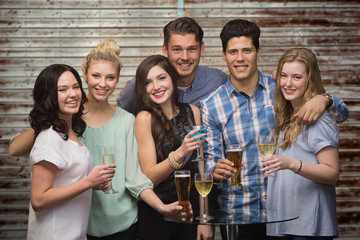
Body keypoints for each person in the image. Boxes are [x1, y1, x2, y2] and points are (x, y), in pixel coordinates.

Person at [9, 39, 183, 240]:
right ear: (84, 74)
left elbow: (134, 178)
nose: (102, 83)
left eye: (110, 77)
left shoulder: (127, 121)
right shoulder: (68, 118)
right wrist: (50, 117)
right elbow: (15, 150)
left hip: (124, 225)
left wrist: (161, 207)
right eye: (96, 76)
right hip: (81, 226)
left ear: (117, 79)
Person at [200, 19, 348, 240]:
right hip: (241, 213)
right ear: (224, 55)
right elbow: (210, 161)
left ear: (258, 51)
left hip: (285, 213)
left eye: (247, 50)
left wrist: (324, 99)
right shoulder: (211, 105)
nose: (240, 58)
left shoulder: (280, 89)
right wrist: (214, 170)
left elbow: (342, 114)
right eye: (233, 52)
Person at [25, 64, 115, 240]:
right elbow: (39, 200)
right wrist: (88, 182)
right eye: (62, 89)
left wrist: (92, 183)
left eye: (75, 87)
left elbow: (65, 180)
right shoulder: (49, 138)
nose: (73, 94)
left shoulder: (69, 131)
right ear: (48, 96)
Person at [263, 48, 339, 239]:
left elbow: (332, 173)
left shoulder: (318, 118)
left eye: (297, 77)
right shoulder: (285, 114)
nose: (288, 83)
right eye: (283, 76)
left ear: (309, 80)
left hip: (308, 228)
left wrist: (291, 164)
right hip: (284, 223)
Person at [134, 55, 213, 240]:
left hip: (191, 211)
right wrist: (180, 153)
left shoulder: (193, 111)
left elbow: (201, 170)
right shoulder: (144, 118)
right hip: (158, 214)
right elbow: (148, 179)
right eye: (148, 82)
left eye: (161, 78)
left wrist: (204, 219)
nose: (156, 87)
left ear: (172, 78)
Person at [117, 16, 228, 114]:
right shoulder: (139, 86)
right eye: (177, 49)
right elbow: (119, 123)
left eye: (192, 49)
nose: (185, 57)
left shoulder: (217, 81)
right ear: (165, 50)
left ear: (201, 48)